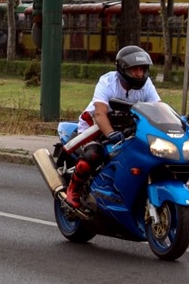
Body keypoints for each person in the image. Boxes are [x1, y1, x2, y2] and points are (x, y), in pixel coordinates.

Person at [64, 45, 162, 208]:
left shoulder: (146, 84)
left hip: (126, 127)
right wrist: (110, 134)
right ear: (122, 70)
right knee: (94, 154)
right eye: (134, 70)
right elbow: (100, 114)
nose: (139, 74)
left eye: (142, 69)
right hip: (94, 127)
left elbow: (158, 108)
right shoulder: (108, 82)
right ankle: (74, 189)